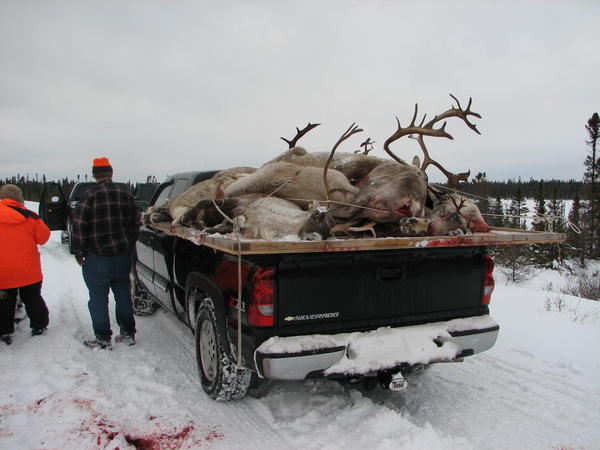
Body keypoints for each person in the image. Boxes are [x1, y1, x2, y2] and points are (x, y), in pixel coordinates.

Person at [72, 157, 140, 349]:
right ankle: (128, 333)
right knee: (123, 295)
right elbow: (136, 223)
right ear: (111, 173)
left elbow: (79, 227)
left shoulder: (89, 196)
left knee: (98, 298)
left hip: (97, 258)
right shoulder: (125, 195)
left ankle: (103, 338)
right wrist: (128, 245)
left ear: (95, 175)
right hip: (122, 256)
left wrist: (79, 252)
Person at [0, 184, 50, 345]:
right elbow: (43, 237)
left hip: (2, 272)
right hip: (28, 271)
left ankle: (4, 331)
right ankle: (39, 326)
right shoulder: (30, 217)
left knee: (4, 300)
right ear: (19, 198)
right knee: (32, 298)